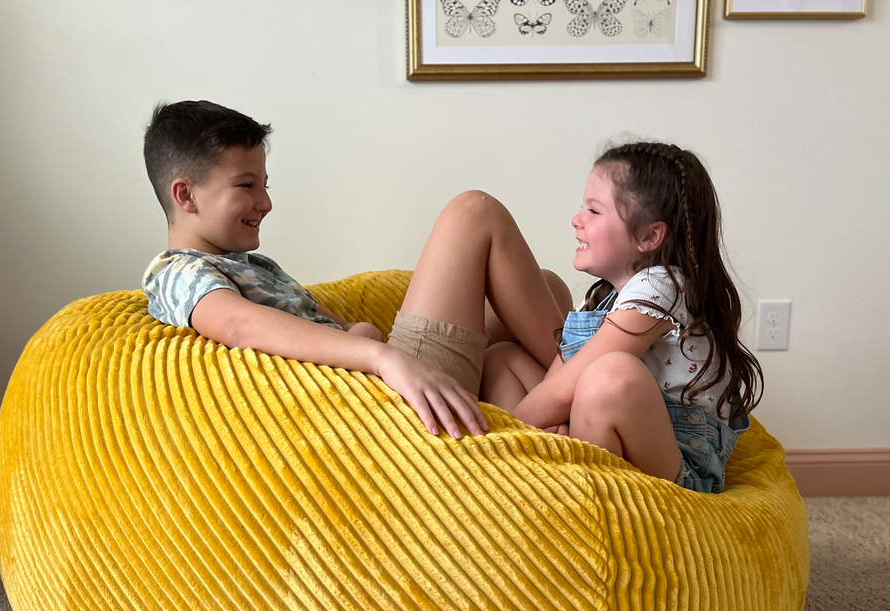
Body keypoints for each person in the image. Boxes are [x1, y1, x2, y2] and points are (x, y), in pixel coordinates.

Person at [140, 100, 570, 441]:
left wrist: (355, 331)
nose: (266, 202)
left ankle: (542, 415)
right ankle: (582, 382)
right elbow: (238, 327)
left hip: (379, 380)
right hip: (382, 406)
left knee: (544, 289)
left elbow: (325, 328)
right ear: (186, 196)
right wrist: (381, 355)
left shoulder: (253, 266)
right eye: (246, 186)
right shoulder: (179, 272)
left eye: (265, 185)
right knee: (474, 213)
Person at [479, 141, 764, 493]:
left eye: (594, 211)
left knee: (611, 376)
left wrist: (506, 433)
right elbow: (562, 375)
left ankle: (519, 463)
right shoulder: (606, 295)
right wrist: (549, 422)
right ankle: (534, 471)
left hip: (679, 454)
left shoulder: (662, 286)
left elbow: (569, 388)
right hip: (611, 429)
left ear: (649, 236)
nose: (576, 219)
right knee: (502, 358)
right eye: (581, 207)